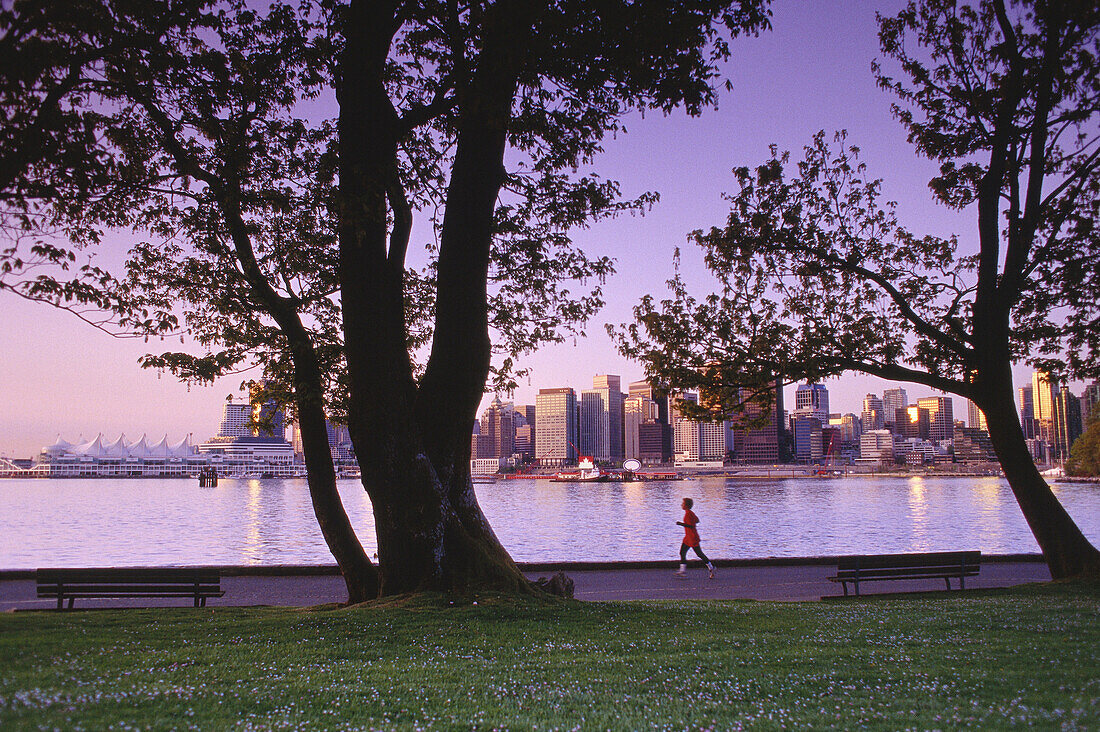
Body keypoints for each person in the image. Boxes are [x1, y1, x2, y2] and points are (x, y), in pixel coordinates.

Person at [676, 497, 715, 579]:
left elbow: (692, 525)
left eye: (682, 504)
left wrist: (681, 524)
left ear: (686, 506)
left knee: (699, 554)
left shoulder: (688, 514)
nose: (681, 505)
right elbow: (697, 521)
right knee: (682, 552)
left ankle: (711, 567)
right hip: (688, 537)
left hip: (692, 538)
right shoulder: (690, 513)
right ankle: (682, 571)